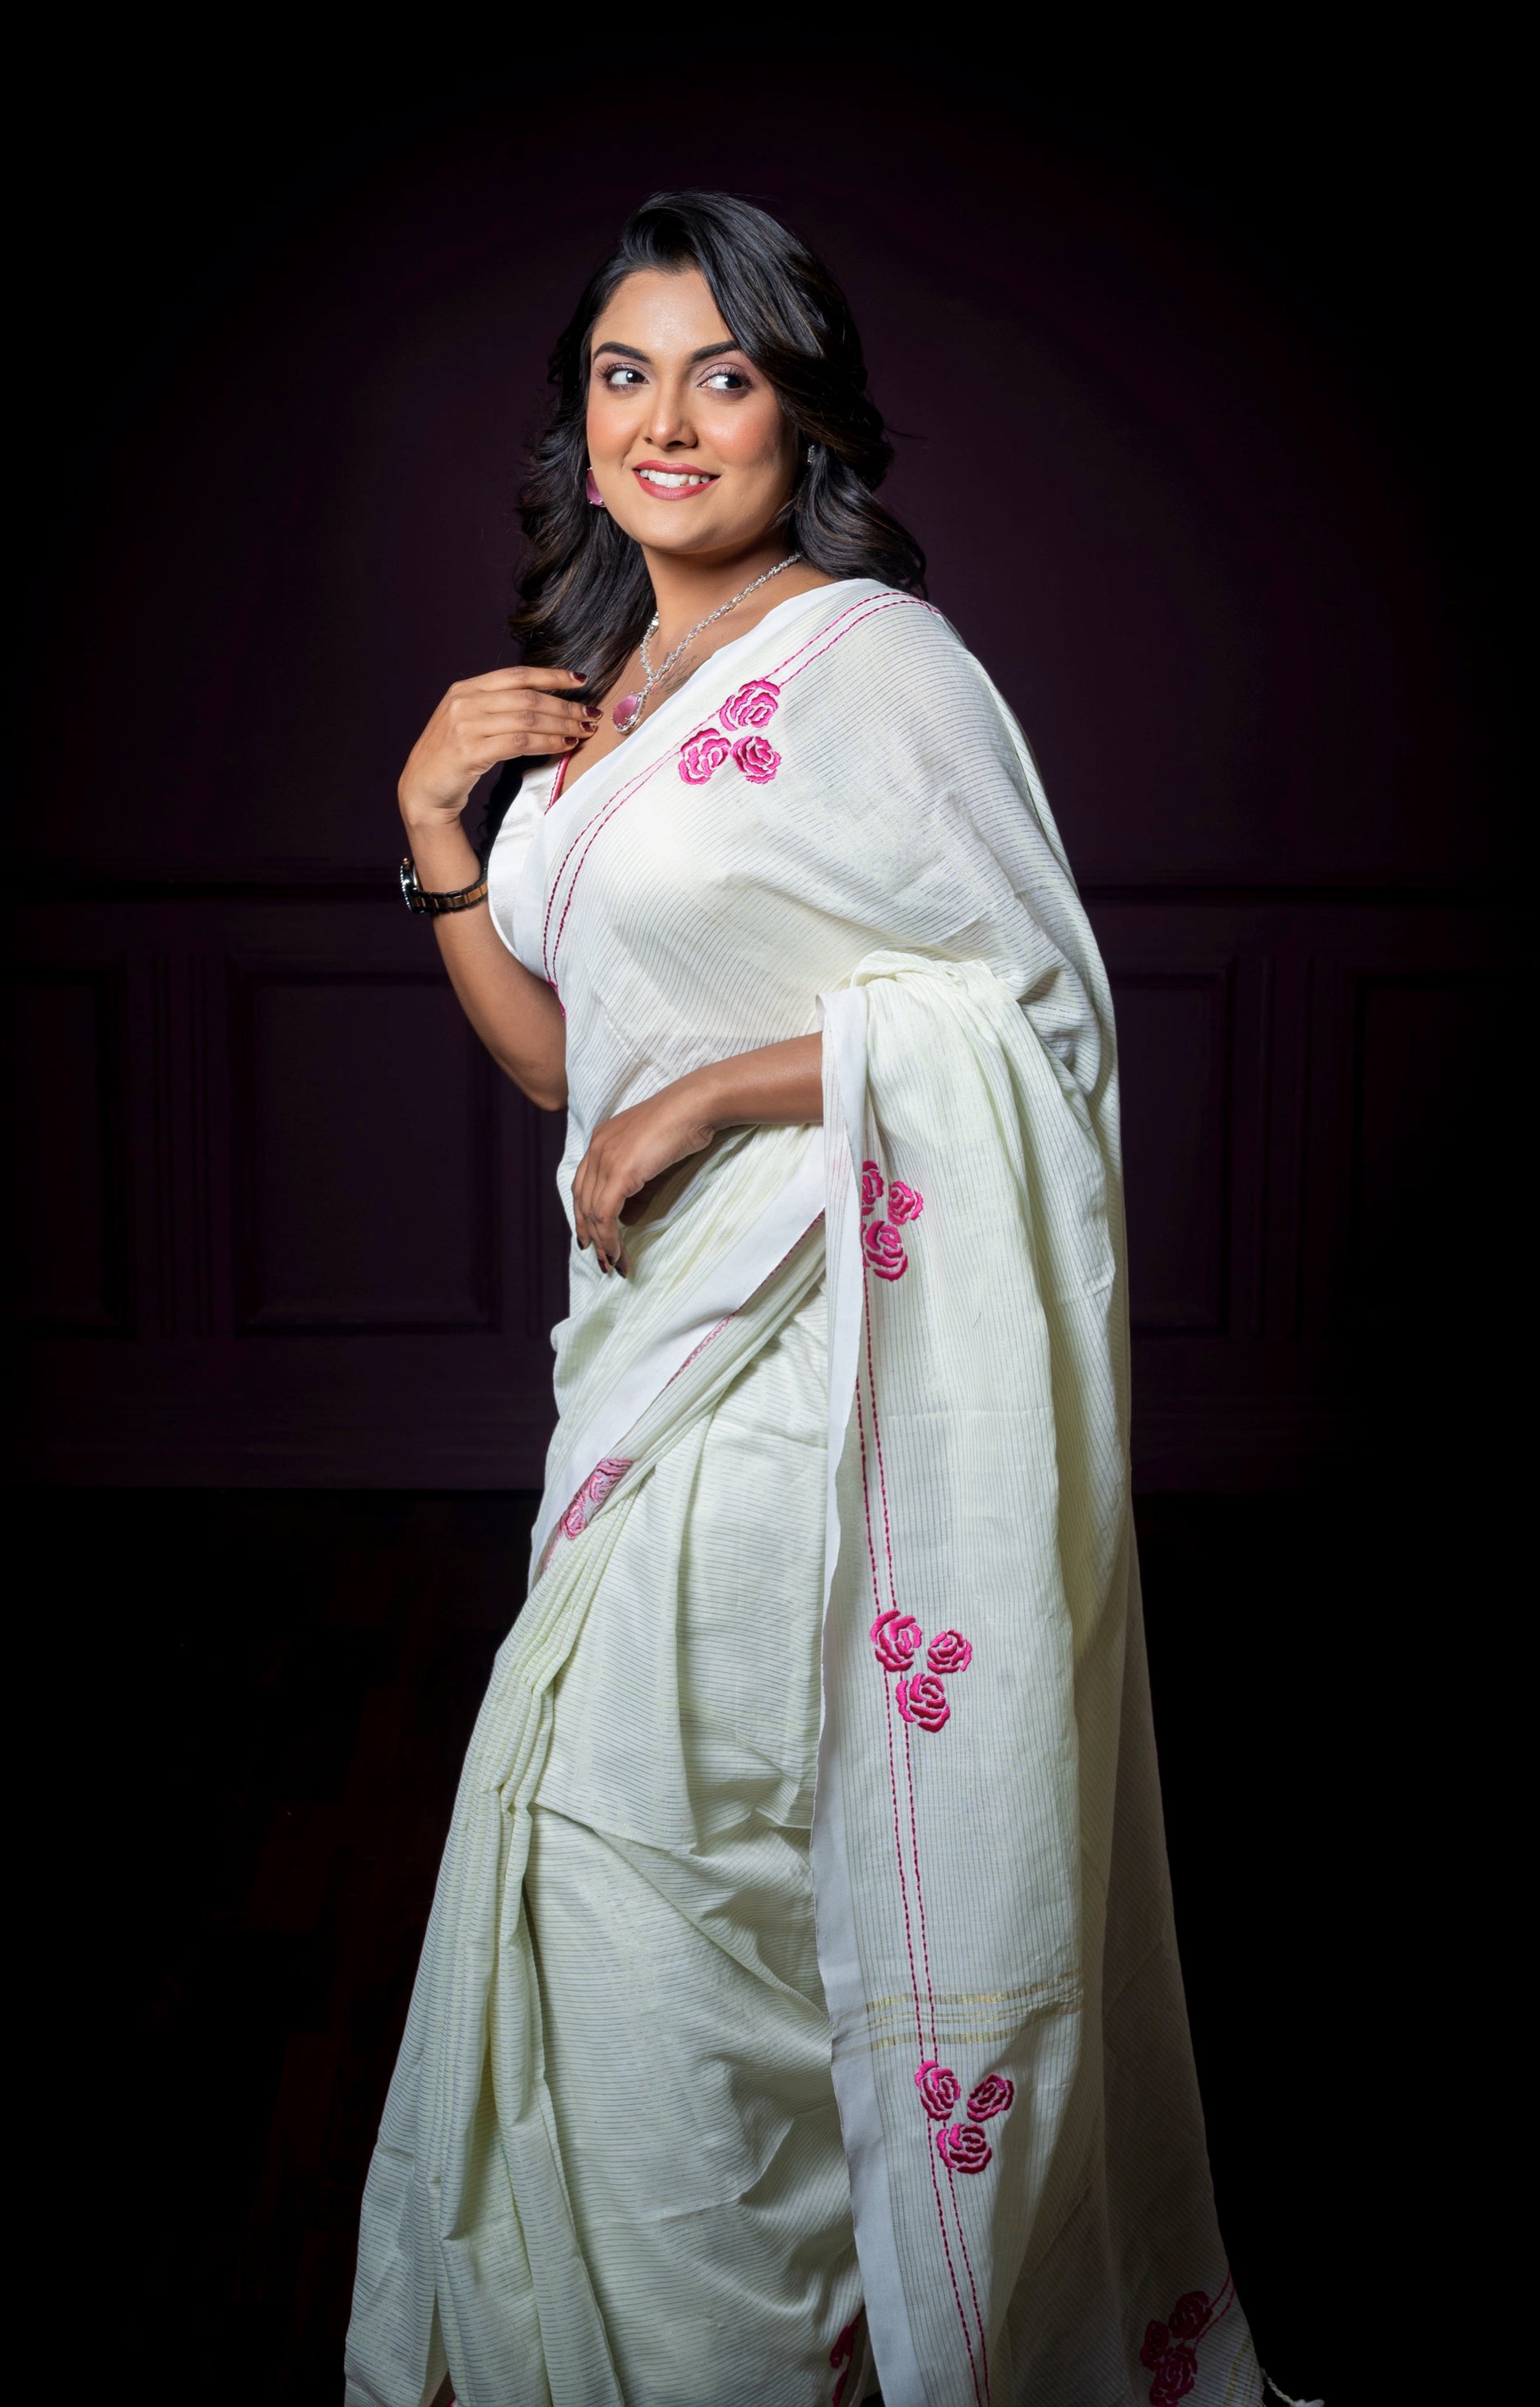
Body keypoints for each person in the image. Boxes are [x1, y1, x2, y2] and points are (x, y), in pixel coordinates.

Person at [346, 188, 1265, 2407]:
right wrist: (442, 839)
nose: (668, 421)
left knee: (698, 1865)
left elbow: (1029, 1022)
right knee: (616, 1866)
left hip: (820, 1361)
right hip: (648, 1358)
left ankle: (788, 2347)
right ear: (578, 425)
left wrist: (723, 1094)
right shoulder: (603, 697)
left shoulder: (879, 666)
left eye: (723, 373)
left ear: (803, 416)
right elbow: (570, 1073)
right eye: (624, 373)